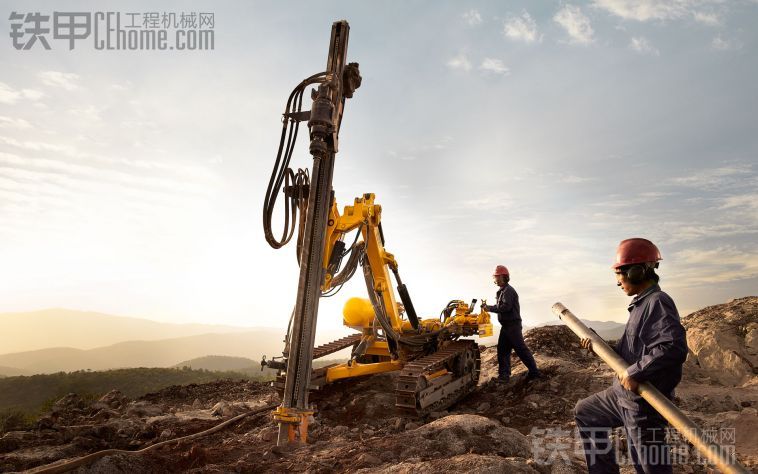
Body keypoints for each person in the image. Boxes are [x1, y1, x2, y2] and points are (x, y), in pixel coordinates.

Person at [574, 238, 688, 474]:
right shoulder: (640, 305)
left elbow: (673, 347)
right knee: (586, 412)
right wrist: (597, 344)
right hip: (621, 396)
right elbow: (630, 353)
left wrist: (636, 372)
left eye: (620, 274)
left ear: (637, 272)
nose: (618, 282)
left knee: (649, 467)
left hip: (644, 404)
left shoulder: (658, 302)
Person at [483, 265, 541, 383]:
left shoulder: (508, 291)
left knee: (521, 349)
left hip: (512, 326)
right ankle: (504, 376)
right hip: (506, 326)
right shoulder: (503, 291)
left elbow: (506, 307)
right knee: (502, 350)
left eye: (495, 277)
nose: (494, 279)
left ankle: (535, 373)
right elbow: (502, 306)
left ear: (501, 277)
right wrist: (489, 308)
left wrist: (489, 308)